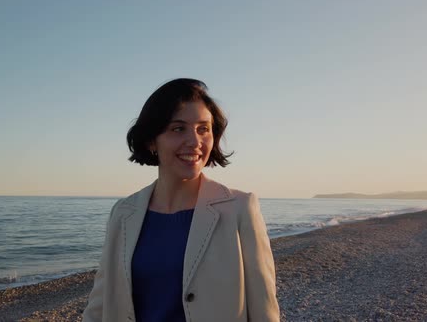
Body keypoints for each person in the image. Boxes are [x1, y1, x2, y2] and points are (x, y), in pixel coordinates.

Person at [82, 78, 280, 322]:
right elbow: (100, 304)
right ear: (151, 140)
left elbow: (264, 310)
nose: (195, 141)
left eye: (203, 129)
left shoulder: (239, 208)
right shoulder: (124, 212)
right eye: (178, 128)